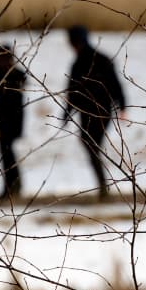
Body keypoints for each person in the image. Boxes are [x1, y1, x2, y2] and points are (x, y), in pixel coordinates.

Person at [62, 24, 126, 198]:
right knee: (90, 144)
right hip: (94, 111)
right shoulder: (98, 59)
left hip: (98, 112)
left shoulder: (90, 62)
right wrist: (67, 113)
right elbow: (73, 91)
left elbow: (114, 85)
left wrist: (123, 106)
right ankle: (103, 186)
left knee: (91, 144)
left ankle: (103, 187)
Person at [0, 41, 29, 198]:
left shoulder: (15, 75)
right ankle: (12, 186)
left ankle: (12, 187)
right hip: (1, 120)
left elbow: (11, 96)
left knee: (7, 153)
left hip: (12, 120)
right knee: (6, 154)